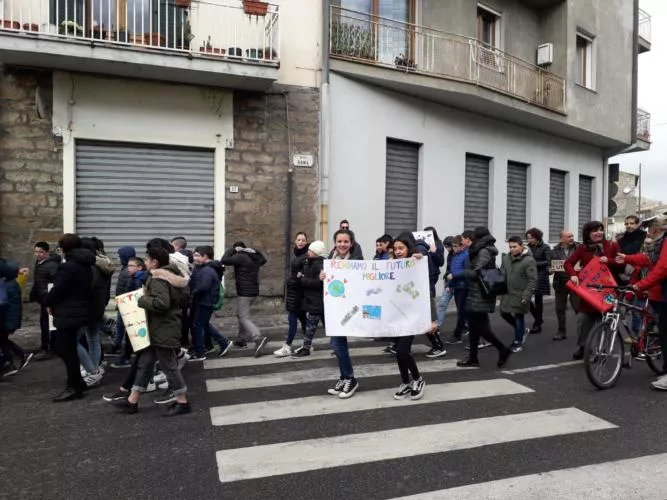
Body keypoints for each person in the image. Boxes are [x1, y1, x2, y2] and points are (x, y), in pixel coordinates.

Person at [114, 247, 191, 416]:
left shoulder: (158, 279)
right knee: (145, 364)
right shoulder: (170, 275)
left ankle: (182, 402)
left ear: (154, 262)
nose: (145, 263)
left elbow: (161, 303)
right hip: (158, 328)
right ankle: (132, 401)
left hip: (162, 328)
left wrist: (141, 299)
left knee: (169, 366)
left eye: (147, 260)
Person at [44, 234, 94, 402]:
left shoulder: (68, 267)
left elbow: (59, 289)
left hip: (68, 312)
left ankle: (73, 387)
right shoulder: (85, 264)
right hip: (78, 310)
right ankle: (78, 383)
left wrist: (47, 301)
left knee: (64, 348)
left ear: (64, 249)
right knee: (68, 347)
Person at [457, 227, 512, 368]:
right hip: (476, 292)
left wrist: (463, 272)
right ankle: (473, 357)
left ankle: (502, 349)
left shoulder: (483, 251)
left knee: (480, 327)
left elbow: (478, 272)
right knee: (475, 327)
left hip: (481, 293)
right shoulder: (481, 249)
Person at [565, 221, 622, 360]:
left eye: (601, 230)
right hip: (590, 292)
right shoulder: (582, 248)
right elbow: (568, 263)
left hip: (608, 291)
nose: (599, 233)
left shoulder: (612, 245)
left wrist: (608, 260)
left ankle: (602, 350)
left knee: (606, 321)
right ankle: (583, 347)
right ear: (588, 233)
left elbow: (621, 265)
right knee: (584, 320)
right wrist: (573, 274)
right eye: (595, 230)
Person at [629, 218, 667, 390]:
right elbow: (650, 259)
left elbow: (662, 267)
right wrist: (627, 258)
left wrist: (641, 284)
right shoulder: (662, 240)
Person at [324, 229, 360, 398]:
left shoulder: (357, 261)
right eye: (339, 241)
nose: (342, 244)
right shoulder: (331, 261)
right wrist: (321, 276)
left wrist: (414, 259)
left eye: (346, 242)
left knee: (337, 344)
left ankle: (350, 378)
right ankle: (344, 377)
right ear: (335, 243)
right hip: (335, 309)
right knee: (338, 344)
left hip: (348, 309)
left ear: (351, 244)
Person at [390, 232, 426, 400]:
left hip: (410, 315)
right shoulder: (391, 265)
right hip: (395, 315)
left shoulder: (416, 263)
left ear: (408, 248)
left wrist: (421, 258)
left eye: (401, 248)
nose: (397, 251)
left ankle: (418, 379)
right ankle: (405, 382)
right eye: (395, 248)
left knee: (403, 350)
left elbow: (426, 289)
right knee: (398, 351)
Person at [220, 242, 269, 357]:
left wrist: (232, 250)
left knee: (243, 317)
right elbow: (263, 259)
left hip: (245, 293)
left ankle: (258, 338)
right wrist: (254, 251)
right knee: (241, 314)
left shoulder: (240, 257)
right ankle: (241, 339)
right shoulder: (254, 257)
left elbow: (224, 260)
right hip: (253, 292)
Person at [188, 245, 231, 361]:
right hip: (205, 301)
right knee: (205, 325)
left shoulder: (207, 270)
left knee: (197, 326)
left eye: (197, 255)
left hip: (204, 301)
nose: (194, 258)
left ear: (205, 256)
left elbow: (204, 286)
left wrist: (193, 292)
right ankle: (223, 342)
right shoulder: (206, 268)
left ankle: (200, 353)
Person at [21, 242, 60, 358]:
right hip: (43, 299)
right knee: (45, 324)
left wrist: (49, 300)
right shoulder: (39, 263)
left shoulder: (51, 265)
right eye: (36, 252)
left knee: (48, 324)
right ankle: (48, 347)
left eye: (41, 252)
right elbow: (39, 281)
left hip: (48, 300)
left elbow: (53, 284)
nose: (38, 254)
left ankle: (49, 348)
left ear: (47, 253)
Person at [290, 241, 328, 358]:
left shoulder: (319, 264)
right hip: (314, 301)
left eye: (310, 251)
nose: (308, 252)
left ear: (316, 253)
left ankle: (306, 348)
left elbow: (320, 283)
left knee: (311, 327)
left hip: (317, 301)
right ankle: (307, 347)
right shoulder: (311, 262)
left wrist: (303, 280)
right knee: (322, 326)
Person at [500, 236, 537, 352]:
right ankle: (521, 331)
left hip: (520, 294)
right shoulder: (506, 258)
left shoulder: (528, 261)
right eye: (510, 247)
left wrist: (526, 296)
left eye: (515, 247)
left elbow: (533, 280)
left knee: (518, 317)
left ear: (521, 246)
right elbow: (502, 274)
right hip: (507, 293)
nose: (512, 249)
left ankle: (518, 341)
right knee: (503, 313)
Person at [275, 232, 310, 357]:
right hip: (295, 293)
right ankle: (308, 345)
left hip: (298, 294)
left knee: (292, 320)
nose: (300, 242)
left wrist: (294, 279)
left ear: (306, 242)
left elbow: (306, 274)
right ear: (295, 241)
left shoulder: (306, 256)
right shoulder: (299, 254)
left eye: (303, 240)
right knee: (304, 321)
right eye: (298, 239)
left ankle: (287, 347)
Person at [0, 258, 31, 377]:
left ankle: (9, 363)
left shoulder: (8, 285)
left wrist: (11, 325)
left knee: (2, 340)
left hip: (4, 319)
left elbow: (12, 307)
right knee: (3, 341)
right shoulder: (7, 282)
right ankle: (16, 358)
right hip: (5, 319)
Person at [551, 230, 579, 340]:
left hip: (575, 282)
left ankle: (582, 330)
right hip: (560, 283)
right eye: (569, 236)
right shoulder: (554, 251)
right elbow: (550, 265)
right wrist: (550, 270)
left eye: (572, 236)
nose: (572, 238)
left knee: (578, 308)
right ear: (561, 238)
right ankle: (561, 331)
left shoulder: (579, 248)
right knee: (559, 308)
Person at [111, 246, 137, 355]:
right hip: (123, 302)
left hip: (126, 304)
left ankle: (119, 347)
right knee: (121, 326)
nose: (119, 258)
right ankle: (118, 346)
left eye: (121, 256)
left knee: (122, 326)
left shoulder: (128, 270)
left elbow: (127, 289)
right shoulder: (126, 268)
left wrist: (122, 303)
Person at [526, 228, 551, 334]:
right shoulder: (527, 248)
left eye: (530, 238)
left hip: (540, 275)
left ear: (537, 237)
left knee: (538, 300)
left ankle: (537, 324)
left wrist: (534, 263)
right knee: (526, 298)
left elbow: (548, 261)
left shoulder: (545, 247)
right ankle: (539, 319)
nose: (529, 240)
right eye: (528, 238)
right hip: (528, 275)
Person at [444, 235, 469, 344]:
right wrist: (449, 285)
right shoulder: (454, 256)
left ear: (462, 246)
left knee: (462, 312)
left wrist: (454, 276)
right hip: (456, 286)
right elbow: (451, 271)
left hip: (463, 287)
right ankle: (462, 332)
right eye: (452, 246)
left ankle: (457, 335)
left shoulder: (466, 255)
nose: (453, 248)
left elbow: (467, 271)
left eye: (455, 246)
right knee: (463, 312)